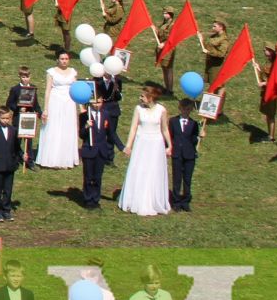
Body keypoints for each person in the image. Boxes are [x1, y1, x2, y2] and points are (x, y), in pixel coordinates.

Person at [117, 85, 172, 216]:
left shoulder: (161, 110)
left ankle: (153, 201)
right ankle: (136, 199)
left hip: (156, 144)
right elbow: (133, 128)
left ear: (150, 97)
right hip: (142, 143)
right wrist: (128, 146)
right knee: (140, 169)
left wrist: (169, 145)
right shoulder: (138, 109)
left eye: (142, 96)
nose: (140, 98)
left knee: (153, 170)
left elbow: (164, 129)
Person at [36, 52, 80, 169]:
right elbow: (47, 90)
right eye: (62, 59)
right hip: (55, 101)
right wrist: (45, 108)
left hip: (69, 102)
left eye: (66, 58)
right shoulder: (51, 72)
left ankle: (66, 158)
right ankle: (51, 158)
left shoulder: (73, 72)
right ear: (58, 60)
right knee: (54, 126)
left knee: (67, 127)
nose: (64, 61)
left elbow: (77, 89)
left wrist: (81, 107)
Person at [0, 105, 23, 221]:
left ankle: (6, 209)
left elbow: (17, 148)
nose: (5, 121)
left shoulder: (13, 130)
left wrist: (22, 156)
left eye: (7, 118)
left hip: (10, 165)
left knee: (8, 189)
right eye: (3, 118)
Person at [167, 97, 202, 211]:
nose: (186, 111)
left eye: (188, 109)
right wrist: (169, 148)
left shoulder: (193, 124)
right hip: (177, 153)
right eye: (184, 109)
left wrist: (199, 137)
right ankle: (176, 201)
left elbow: (194, 140)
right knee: (177, 178)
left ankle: (186, 201)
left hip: (189, 154)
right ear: (180, 108)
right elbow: (170, 136)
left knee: (187, 179)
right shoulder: (173, 121)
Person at [77, 93, 110, 209]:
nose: (97, 104)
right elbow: (81, 135)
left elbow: (111, 133)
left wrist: (122, 147)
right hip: (89, 150)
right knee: (88, 176)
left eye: (99, 102)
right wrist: (86, 127)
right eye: (95, 102)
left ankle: (96, 198)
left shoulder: (106, 114)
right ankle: (88, 199)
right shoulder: (85, 116)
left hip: (101, 150)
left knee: (97, 176)